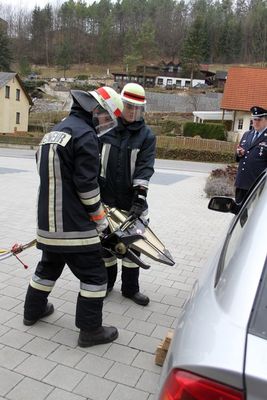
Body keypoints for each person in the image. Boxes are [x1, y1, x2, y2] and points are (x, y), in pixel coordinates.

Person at [23, 86, 124, 348]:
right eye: (106, 118)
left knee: (48, 267)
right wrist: (101, 221)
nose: (104, 125)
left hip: (47, 225)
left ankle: (32, 311)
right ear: (96, 110)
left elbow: (46, 172)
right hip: (75, 227)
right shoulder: (86, 136)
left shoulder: (54, 132)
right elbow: (87, 187)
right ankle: (90, 331)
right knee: (94, 276)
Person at [99, 82, 156, 306]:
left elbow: (144, 168)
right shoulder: (106, 128)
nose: (133, 112)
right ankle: (106, 285)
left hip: (131, 202)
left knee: (133, 246)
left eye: (137, 108)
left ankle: (130, 289)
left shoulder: (146, 136)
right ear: (120, 105)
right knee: (106, 247)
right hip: (105, 200)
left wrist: (140, 198)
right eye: (129, 106)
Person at [235, 105, 267, 203]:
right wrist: (239, 153)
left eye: (259, 120)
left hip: (257, 185)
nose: (255, 122)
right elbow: (238, 157)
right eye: (254, 119)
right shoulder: (247, 134)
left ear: (265, 120)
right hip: (241, 183)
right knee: (239, 214)